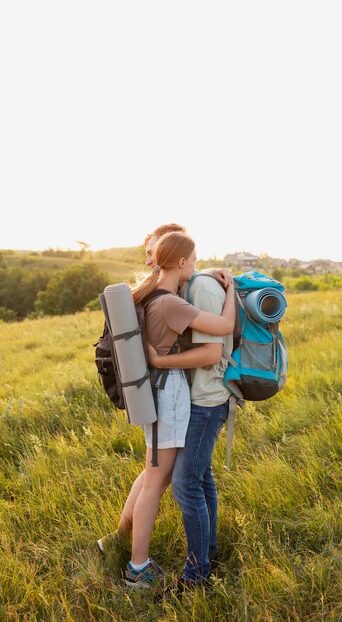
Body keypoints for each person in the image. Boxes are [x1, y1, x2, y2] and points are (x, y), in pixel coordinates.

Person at [98, 231, 235, 589]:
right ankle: (138, 567)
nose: (195, 266)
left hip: (158, 389)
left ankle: (126, 549)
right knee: (156, 481)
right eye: (193, 260)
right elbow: (224, 328)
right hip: (169, 392)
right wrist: (231, 290)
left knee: (153, 478)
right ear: (181, 262)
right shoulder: (171, 304)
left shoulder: (153, 294)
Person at [148, 269, 233, 587]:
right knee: (201, 478)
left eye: (153, 253)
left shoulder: (202, 290)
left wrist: (160, 362)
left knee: (185, 485)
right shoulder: (189, 286)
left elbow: (211, 354)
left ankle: (196, 576)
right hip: (196, 399)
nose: (148, 260)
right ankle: (208, 553)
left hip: (206, 402)